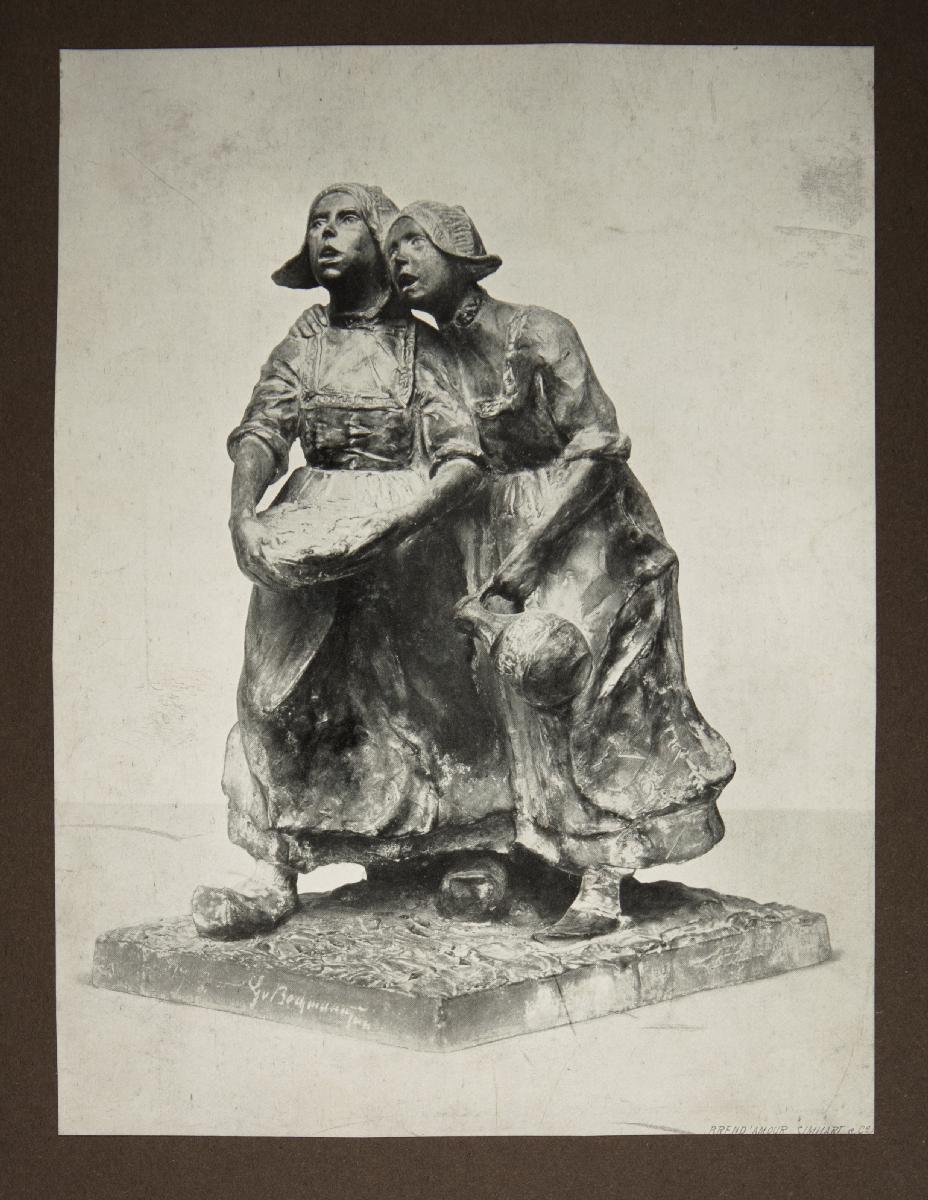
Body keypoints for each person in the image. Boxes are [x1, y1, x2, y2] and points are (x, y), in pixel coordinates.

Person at [375, 201, 737, 939]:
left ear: (460, 252)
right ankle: (525, 851)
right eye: (392, 249)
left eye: (415, 241)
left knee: (574, 682)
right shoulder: (427, 359)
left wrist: (526, 560)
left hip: (585, 523)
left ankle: (604, 877)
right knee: (491, 696)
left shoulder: (538, 332)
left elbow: (597, 448)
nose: (400, 258)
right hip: (489, 526)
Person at [191, 185, 508, 940]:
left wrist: (399, 519)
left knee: (431, 690)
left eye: (346, 221)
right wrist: (243, 516)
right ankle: (275, 867)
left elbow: (463, 458)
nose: (327, 234)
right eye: (317, 223)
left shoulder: (424, 347)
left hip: (409, 529)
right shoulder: (304, 341)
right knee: (278, 691)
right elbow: (262, 430)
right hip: (309, 518)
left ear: (383, 241)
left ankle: (468, 845)